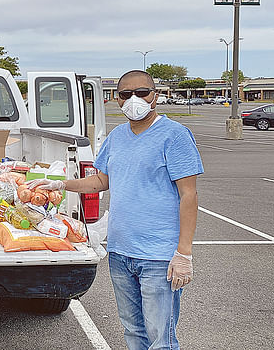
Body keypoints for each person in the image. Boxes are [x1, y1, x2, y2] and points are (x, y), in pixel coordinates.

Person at [29, 69, 202, 349]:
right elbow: (101, 180)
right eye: (126, 94)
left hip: (158, 257)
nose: (134, 99)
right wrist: (60, 185)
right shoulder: (117, 137)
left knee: (162, 339)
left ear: (155, 96)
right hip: (121, 253)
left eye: (142, 93)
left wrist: (183, 253)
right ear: (118, 100)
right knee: (133, 332)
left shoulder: (175, 136)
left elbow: (189, 195)